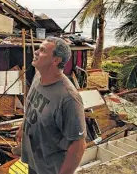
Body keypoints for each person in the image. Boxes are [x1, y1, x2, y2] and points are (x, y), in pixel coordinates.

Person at [16, 36, 86, 174]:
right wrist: (22, 127)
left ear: (56, 60)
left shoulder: (68, 98)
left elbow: (78, 146)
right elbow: (31, 107)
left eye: (42, 51)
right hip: (34, 160)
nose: (36, 52)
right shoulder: (38, 77)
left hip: (50, 168)